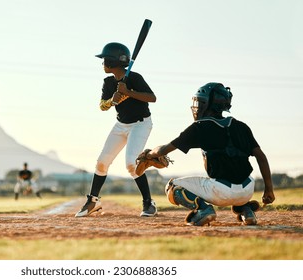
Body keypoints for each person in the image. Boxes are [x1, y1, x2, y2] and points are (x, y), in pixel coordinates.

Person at [141, 82, 275, 226]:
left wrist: (149, 154)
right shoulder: (241, 126)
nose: (197, 106)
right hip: (248, 189)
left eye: (200, 102)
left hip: (220, 191)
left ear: (208, 104)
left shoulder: (199, 127)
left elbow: (163, 151)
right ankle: (246, 209)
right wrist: (269, 189)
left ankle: (203, 209)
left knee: (172, 186)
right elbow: (261, 157)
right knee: (235, 177)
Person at [75, 42, 158, 217]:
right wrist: (113, 100)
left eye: (105, 59)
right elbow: (102, 106)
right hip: (121, 125)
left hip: (141, 124)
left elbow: (152, 98)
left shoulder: (135, 78)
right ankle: (93, 201)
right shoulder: (108, 82)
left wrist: (129, 91)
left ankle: (149, 204)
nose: (102, 63)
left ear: (113, 62)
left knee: (131, 164)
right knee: (102, 162)